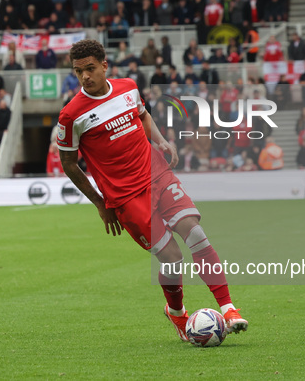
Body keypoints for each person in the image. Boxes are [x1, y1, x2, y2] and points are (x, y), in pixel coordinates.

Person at [57, 40, 248, 342]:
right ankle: (176, 313)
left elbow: (143, 115)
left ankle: (228, 308)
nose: (85, 77)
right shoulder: (71, 116)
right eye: (78, 71)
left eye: (90, 69)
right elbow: (68, 163)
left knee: (195, 233)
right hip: (127, 197)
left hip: (156, 172)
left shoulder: (129, 88)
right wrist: (99, 203)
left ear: (104, 65)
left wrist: (159, 140)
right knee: (172, 257)